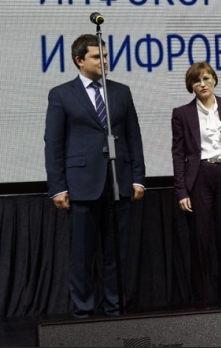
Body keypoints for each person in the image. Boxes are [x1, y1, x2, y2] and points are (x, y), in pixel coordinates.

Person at [44, 33, 146, 318]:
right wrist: (57, 187)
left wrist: (138, 177)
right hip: (81, 186)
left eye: (106, 55)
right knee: (82, 255)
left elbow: (134, 137)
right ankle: (83, 313)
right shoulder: (61, 94)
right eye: (96, 56)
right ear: (79, 60)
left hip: (118, 183)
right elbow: (53, 143)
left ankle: (115, 310)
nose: (104, 61)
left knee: (117, 255)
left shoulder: (121, 92)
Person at [171, 61, 221, 309]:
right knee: (199, 241)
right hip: (199, 178)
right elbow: (178, 154)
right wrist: (181, 190)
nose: (202, 84)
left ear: (214, 79)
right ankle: (201, 303)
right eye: (196, 81)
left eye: (206, 78)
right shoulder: (181, 113)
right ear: (190, 86)